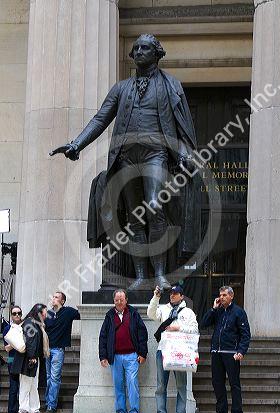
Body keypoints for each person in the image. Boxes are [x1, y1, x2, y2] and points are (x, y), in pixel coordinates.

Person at [50, 34, 198, 291]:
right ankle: (141, 275)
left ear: (156, 53)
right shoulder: (121, 88)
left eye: (146, 48)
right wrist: (77, 144)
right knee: (135, 218)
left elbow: (182, 124)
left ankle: (160, 273)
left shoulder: (171, 85)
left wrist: (185, 154)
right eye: (136, 48)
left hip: (156, 154)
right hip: (126, 157)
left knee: (154, 207)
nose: (139, 51)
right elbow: (100, 119)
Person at [147, 284, 198, 413]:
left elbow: (194, 330)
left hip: (181, 351)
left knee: (181, 384)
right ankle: (161, 412)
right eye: (171, 293)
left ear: (181, 296)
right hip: (163, 350)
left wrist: (178, 327)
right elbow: (150, 314)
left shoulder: (188, 312)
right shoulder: (164, 309)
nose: (172, 295)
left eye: (175, 293)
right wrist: (156, 297)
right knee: (161, 384)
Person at [201, 286, 251, 413]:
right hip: (217, 352)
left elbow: (245, 334)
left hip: (231, 353)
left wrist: (241, 351)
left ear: (231, 296)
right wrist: (213, 309)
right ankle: (221, 412)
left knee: (234, 383)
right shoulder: (218, 311)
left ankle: (236, 412)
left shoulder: (239, 312)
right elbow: (204, 323)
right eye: (220, 295)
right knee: (217, 383)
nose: (221, 297)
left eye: (224, 295)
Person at [99, 289, 148, 413]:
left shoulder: (133, 314)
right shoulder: (109, 315)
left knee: (132, 382)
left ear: (126, 300)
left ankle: (134, 411)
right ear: (113, 301)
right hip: (115, 357)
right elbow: (103, 336)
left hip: (132, 355)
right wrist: (103, 356)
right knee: (118, 384)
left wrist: (143, 353)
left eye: (121, 300)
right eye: (117, 300)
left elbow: (142, 334)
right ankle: (121, 411)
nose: (119, 302)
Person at [44, 291, 80, 413]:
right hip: (47, 350)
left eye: (56, 297)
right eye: (53, 296)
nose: (53, 299)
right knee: (48, 378)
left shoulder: (68, 312)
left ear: (62, 301)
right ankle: (48, 401)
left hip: (58, 350)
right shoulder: (48, 314)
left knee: (54, 378)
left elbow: (83, 314)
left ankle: (51, 406)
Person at [11, 303, 49, 413]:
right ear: (39, 313)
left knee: (33, 385)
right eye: (45, 311)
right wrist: (32, 356)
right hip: (27, 359)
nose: (46, 314)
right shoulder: (30, 322)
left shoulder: (34, 323)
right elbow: (30, 341)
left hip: (32, 358)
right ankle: (24, 409)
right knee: (26, 385)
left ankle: (34, 409)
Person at [3, 305, 22, 413]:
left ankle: (22, 409)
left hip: (23, 359)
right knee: (14, 386)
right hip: (12, 359)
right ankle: (12, 411)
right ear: (11, 315)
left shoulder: (25, 327)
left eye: (19, 313)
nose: (17, 315)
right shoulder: (7, 329)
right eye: (14, 313)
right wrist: (18, 341)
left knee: (24, 387)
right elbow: (7, 348)